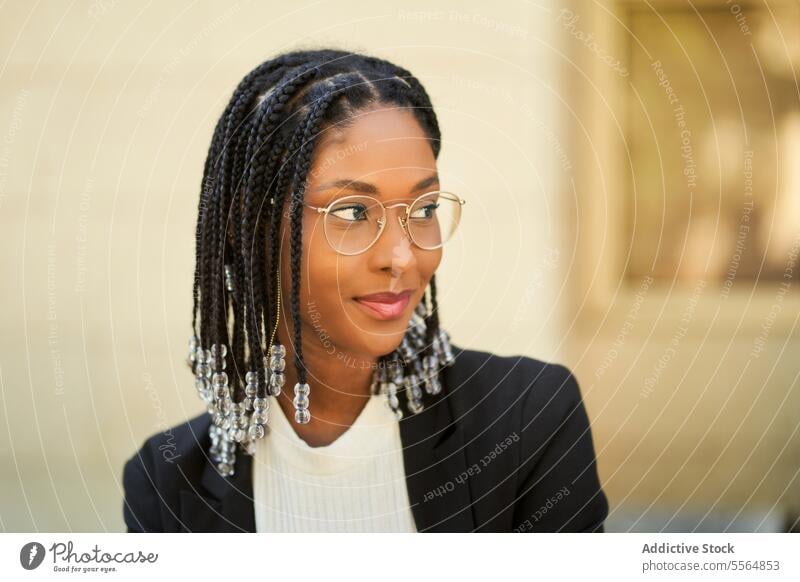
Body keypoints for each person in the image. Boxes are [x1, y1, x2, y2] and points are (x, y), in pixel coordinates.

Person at [122, 48, 609, 533]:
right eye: (354, 212)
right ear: (249, 229)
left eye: (423, 207)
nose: (402, 256)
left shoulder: (530, 419)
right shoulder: (167, 485)